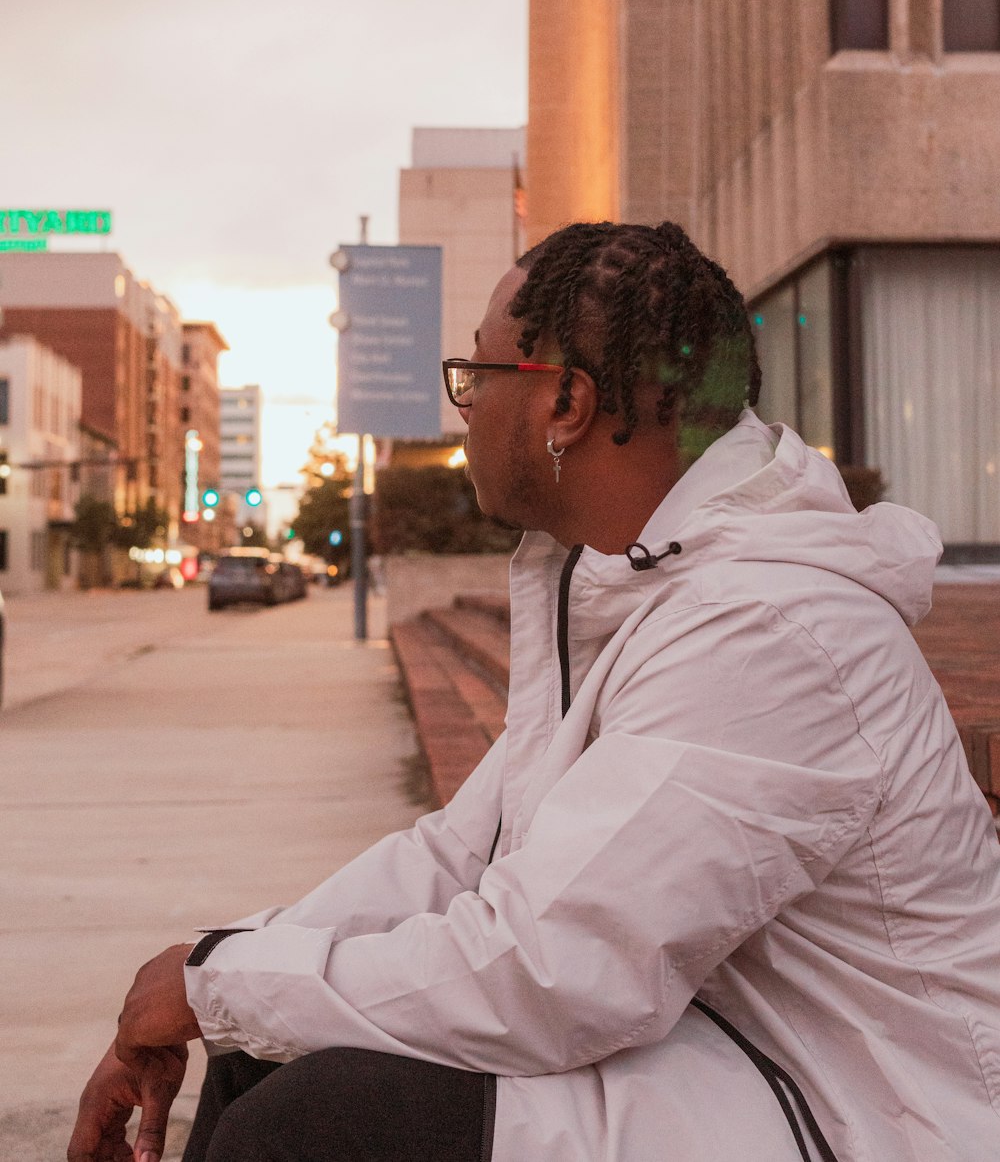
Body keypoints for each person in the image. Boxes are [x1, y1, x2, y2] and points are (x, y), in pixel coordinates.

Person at [69, 221, 1000, 1162]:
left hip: (873, 1111)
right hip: (737, 1060)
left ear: (564, 402)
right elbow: (465, 853)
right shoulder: (641, 584)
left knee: (318, 1120)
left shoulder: (769, 630)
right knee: (263, 1060)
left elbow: (559, 969)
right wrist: (212, 974)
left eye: (474, 378)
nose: (461, 408)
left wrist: (217, 988)